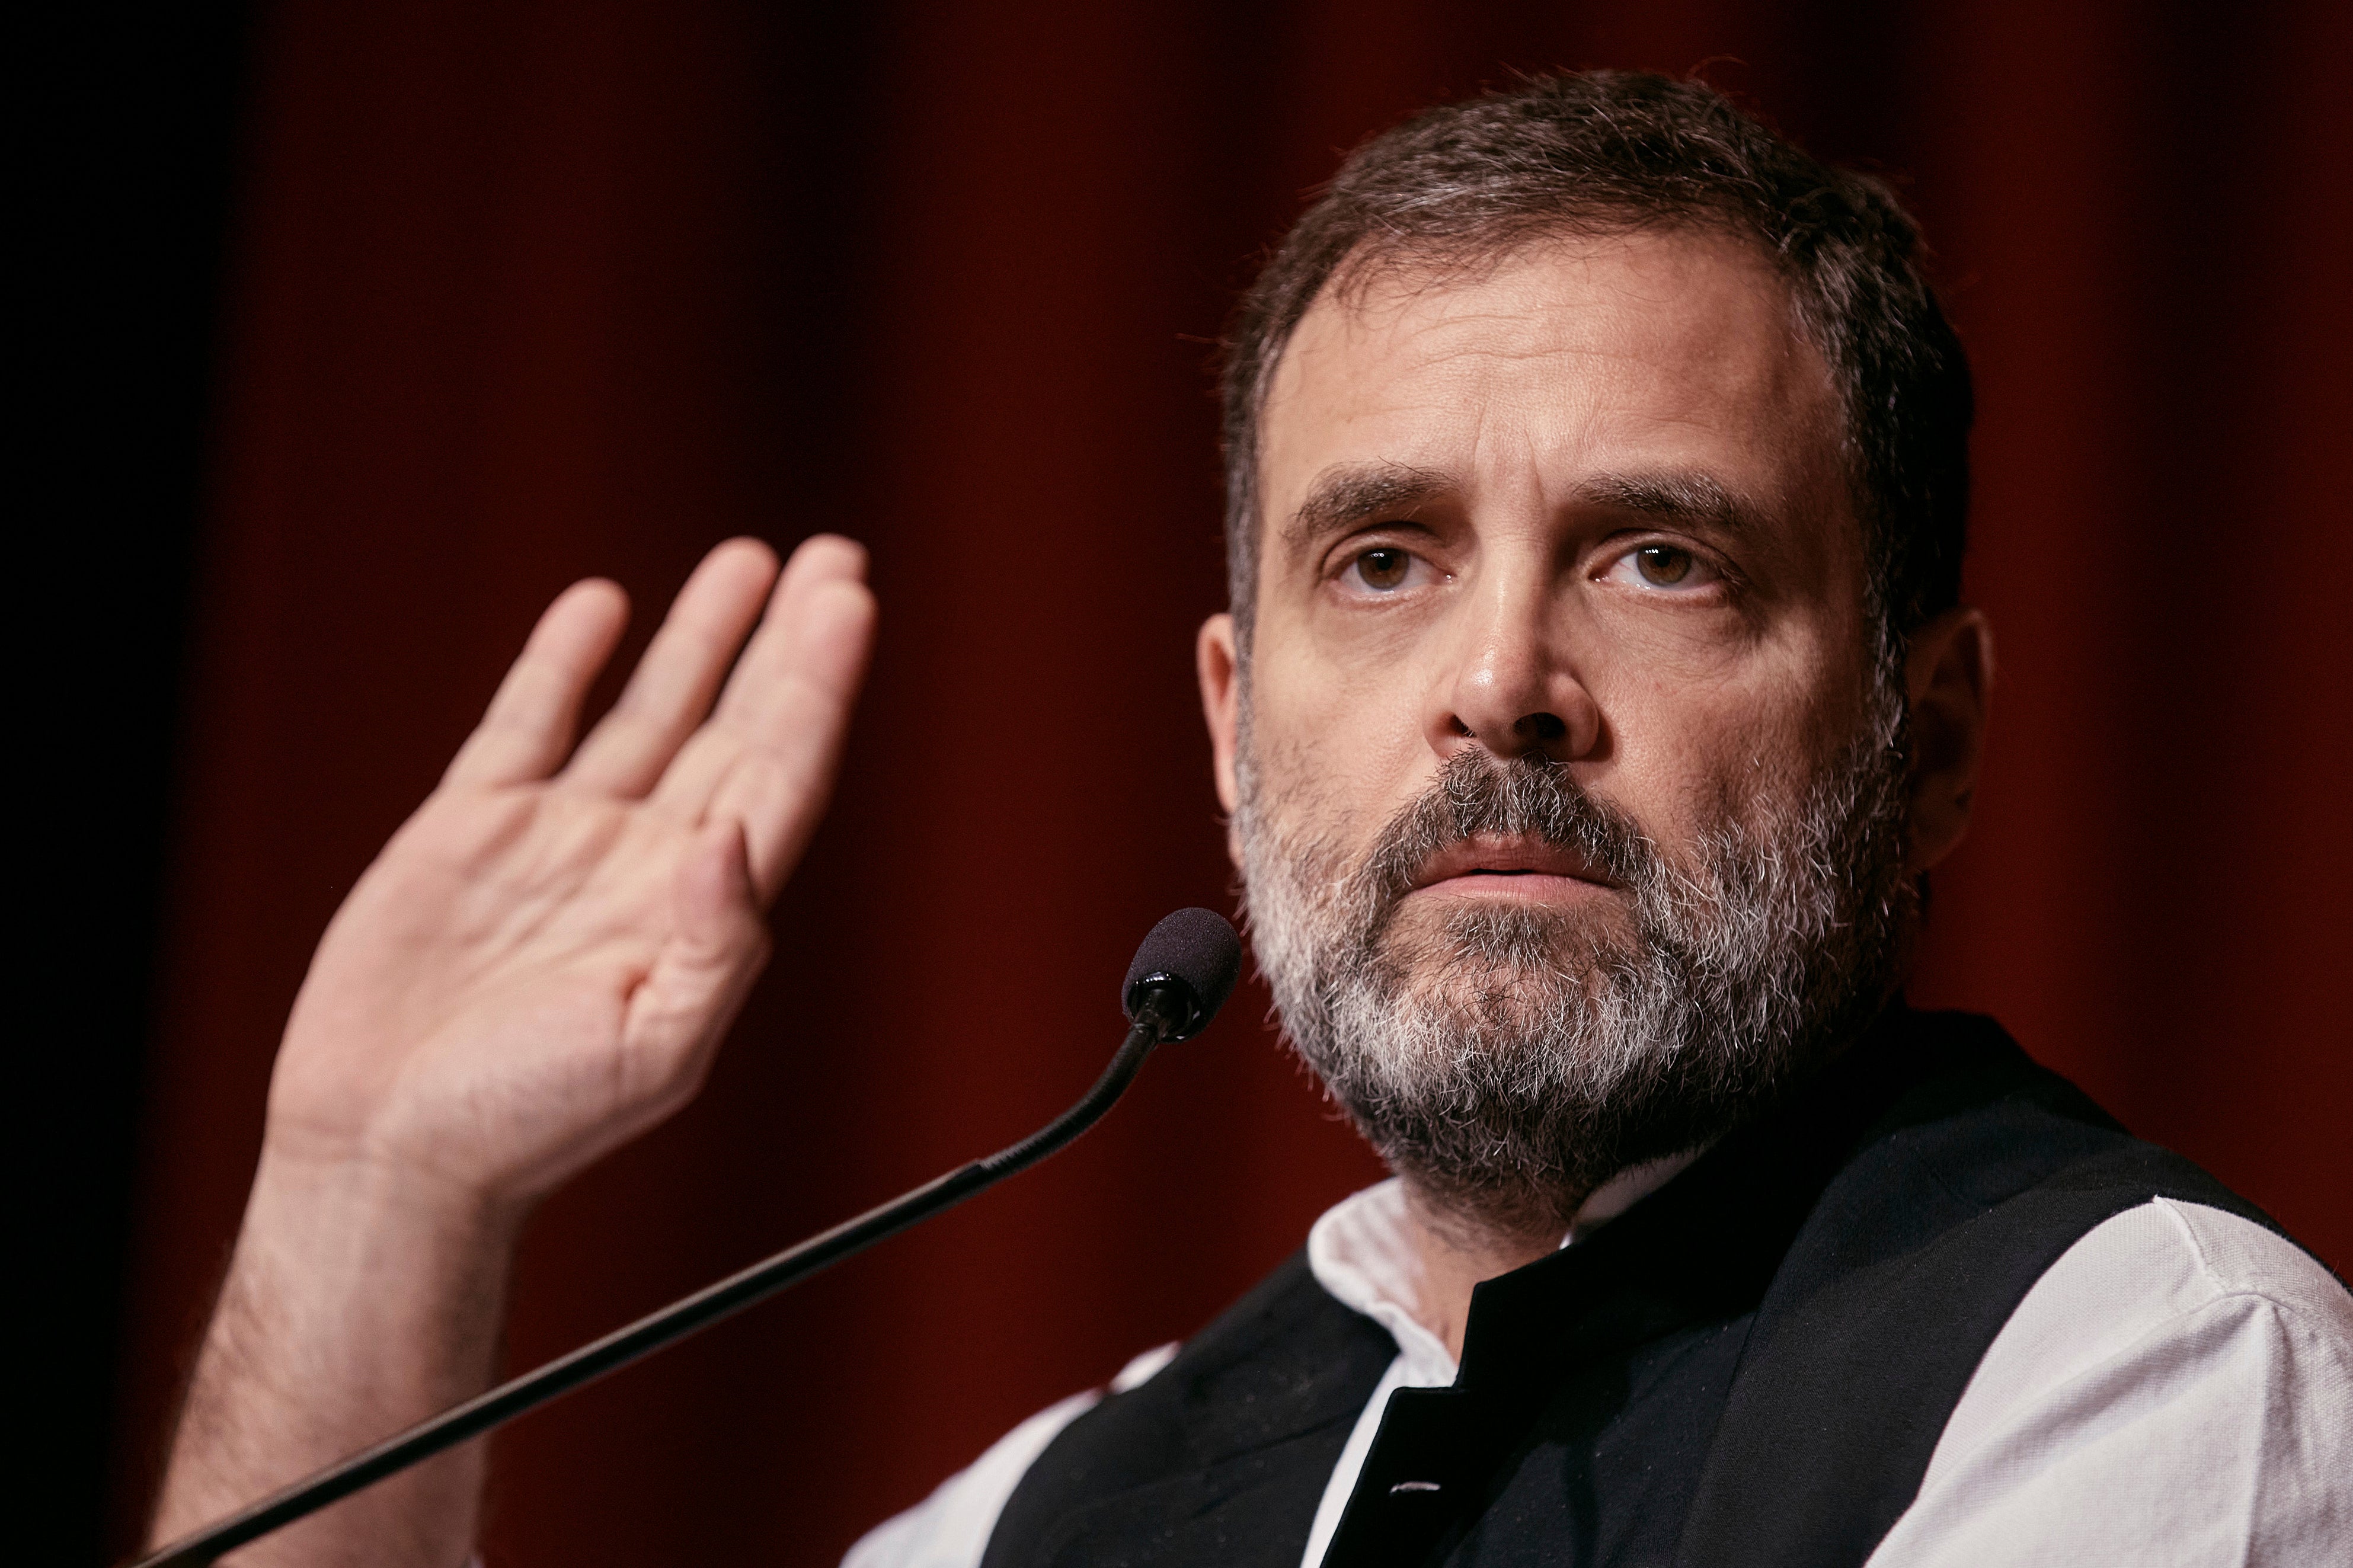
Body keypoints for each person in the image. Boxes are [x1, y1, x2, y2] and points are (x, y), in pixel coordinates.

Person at [148, 71, 2349, 1568]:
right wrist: (378, 1197)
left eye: (1658, 557)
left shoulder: (2140, 1370)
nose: (1497, 681)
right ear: (1230, 727)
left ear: (1927, 739)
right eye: (1381, 560)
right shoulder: (1061, 1513)